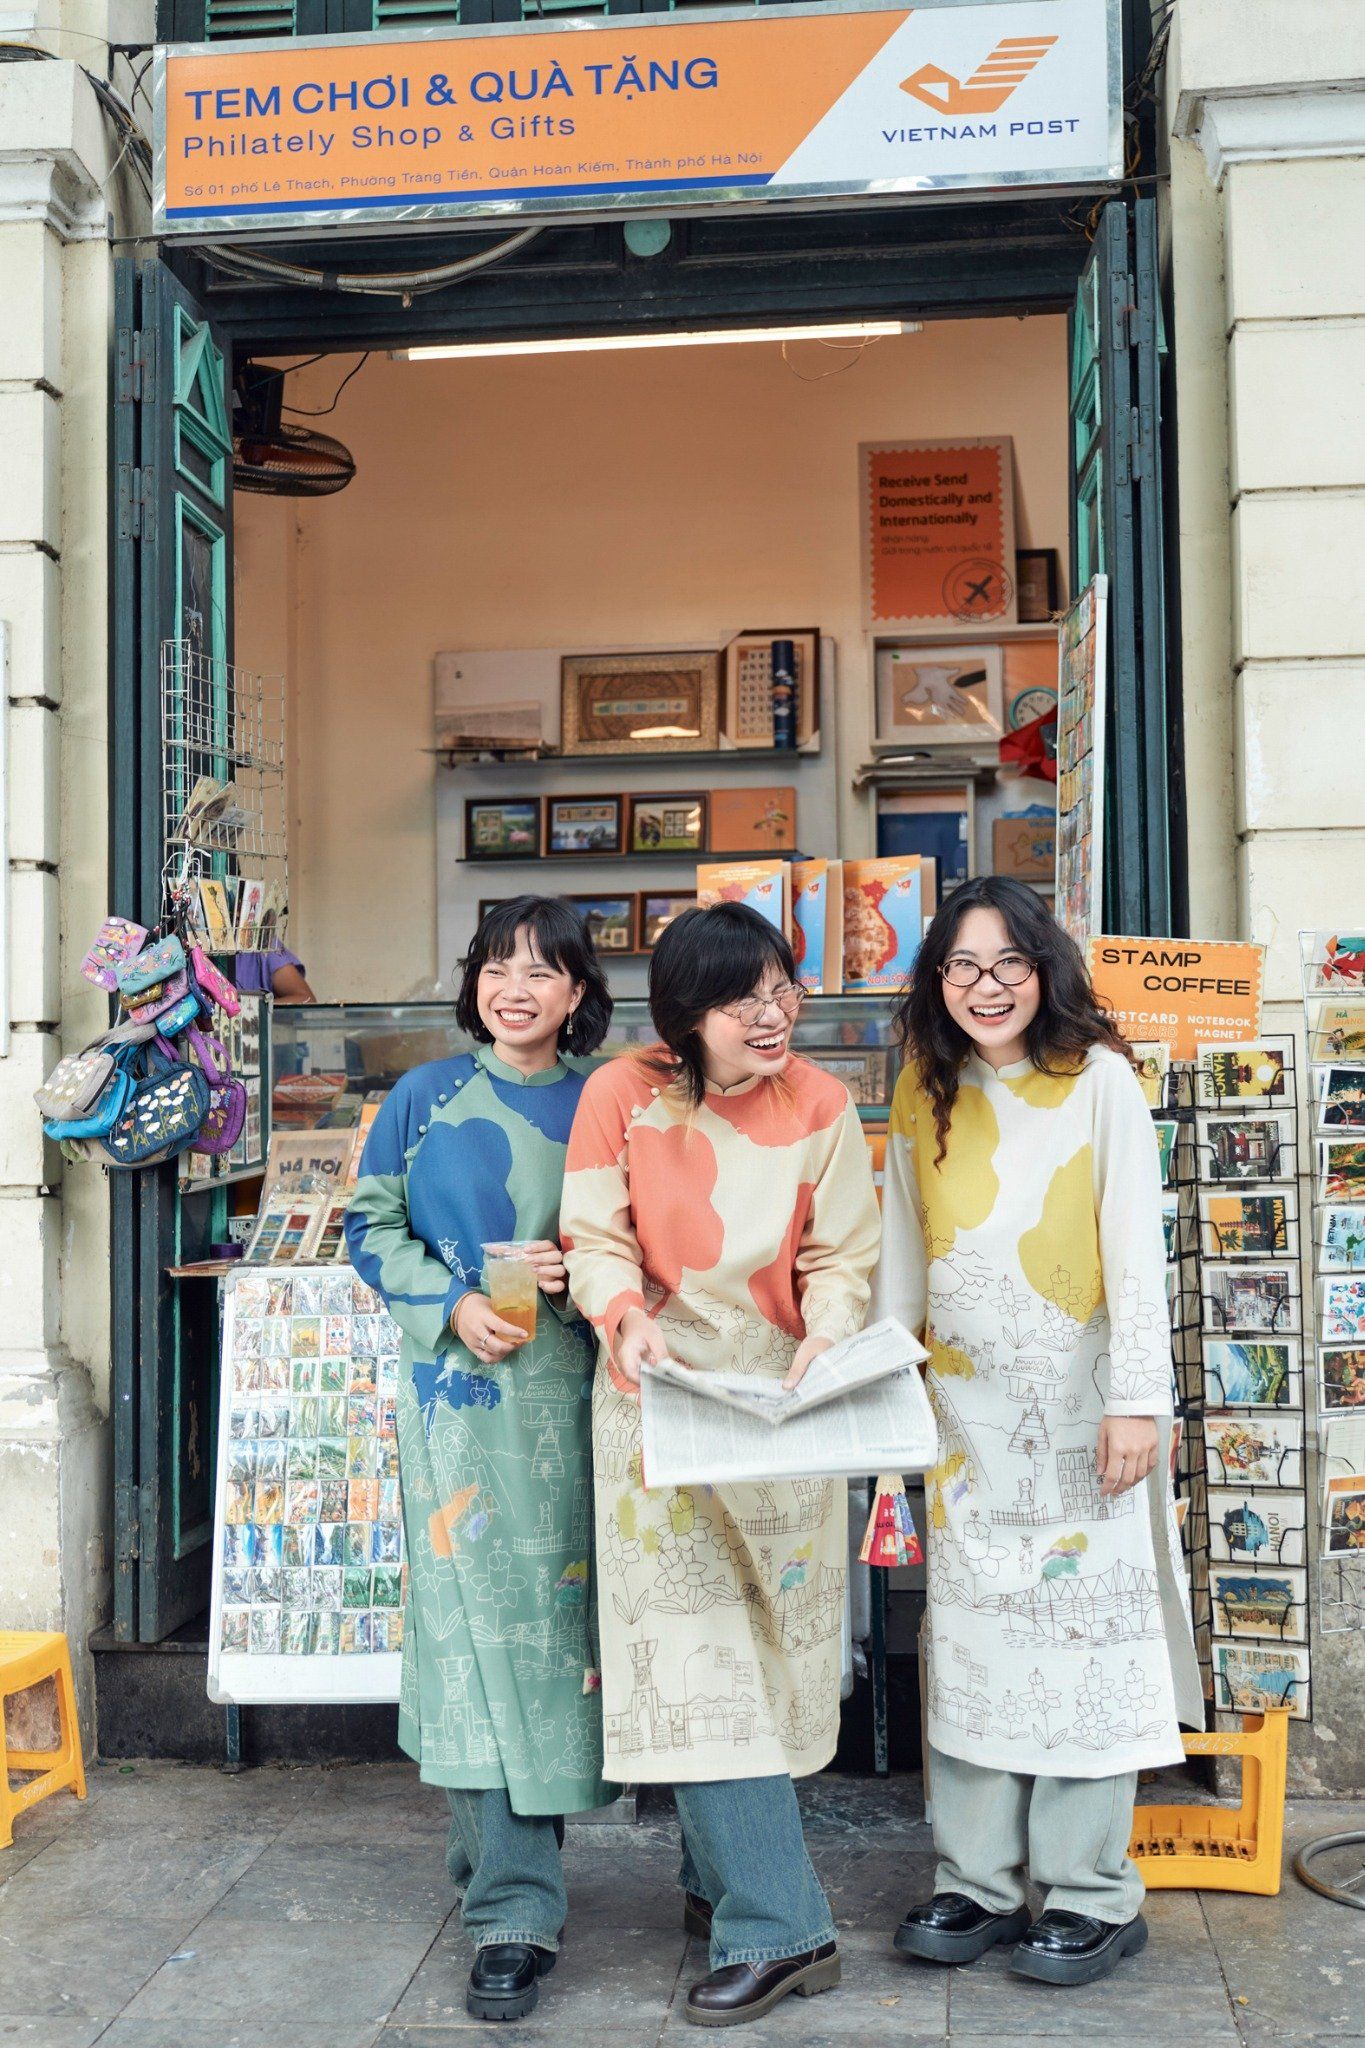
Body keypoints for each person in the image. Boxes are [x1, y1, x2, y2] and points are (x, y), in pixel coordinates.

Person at [873, 876, 1202, 1988]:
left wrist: (1137, 1400)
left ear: (1044, 967)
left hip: (1082, 1413)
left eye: (1008, 961)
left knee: (1084, 1641)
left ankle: (1089, 1890)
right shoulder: (921, 1087)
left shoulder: (1099, 1078)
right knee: (973, 1642)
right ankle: (974, 1877)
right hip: (964, 1421)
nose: (986, 986)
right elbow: (901, 1250)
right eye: (962, 965)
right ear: (937, 980)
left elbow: (1135, 1249)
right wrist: (890, 1384)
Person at [560, 902, 881, 2028]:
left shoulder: (823, 1104)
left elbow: (841, 1255)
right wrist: (619, 1312)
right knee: (692, 1659)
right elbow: (594, 1234)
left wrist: (828, 1333)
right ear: (685, 1016)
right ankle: (782, 1925)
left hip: (782, 1405)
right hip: (654, 1400)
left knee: (770, 1660)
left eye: (780, 989)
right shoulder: (623, 1094)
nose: (770, 1015)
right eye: (741, 1000)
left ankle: (716, 1879)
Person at [344, 896, 613, 2022]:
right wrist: (451, 1304)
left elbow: (651, 1235)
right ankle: (510, 1904)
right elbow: (368, 1226)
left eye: (543, 970)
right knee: (471, 1636)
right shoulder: (422, 1095)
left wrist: (585, 1270)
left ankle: (659, 1869)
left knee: (577, 1633)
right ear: (473, 983)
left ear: (578, 992)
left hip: (588, 1399)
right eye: (498, 967)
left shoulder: (610, 1098)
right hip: (456, 1404)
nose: (516, 988)